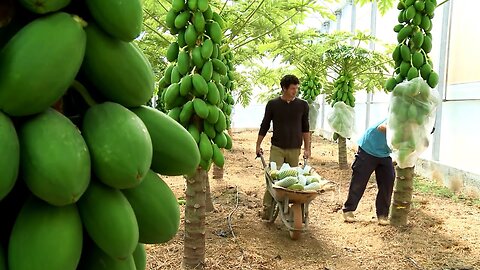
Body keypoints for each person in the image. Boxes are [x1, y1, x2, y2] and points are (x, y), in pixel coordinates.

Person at [255, 74, 311, 220]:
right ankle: (267, 209)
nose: (295, 91)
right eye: (293, 88)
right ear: (284, 88)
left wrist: (307, 148)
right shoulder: (273, 105)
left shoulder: (302, 105)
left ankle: (294, 209)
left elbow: (306, 128)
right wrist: (258, 144)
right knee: (273, 178)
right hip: (277, 148)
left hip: (294, 148)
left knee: (294, 181)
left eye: (296, 88)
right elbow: (265, 125)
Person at [342, 118, 394, 225]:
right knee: (359, 181)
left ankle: (382, 215)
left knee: (388, 181)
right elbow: (382, 127)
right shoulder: (400, 117)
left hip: (384, 153)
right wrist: (397, 134)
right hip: (368, 148)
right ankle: (348, 210)